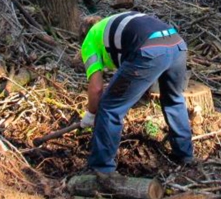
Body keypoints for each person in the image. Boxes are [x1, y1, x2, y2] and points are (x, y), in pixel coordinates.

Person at [79, 12, 194, 175]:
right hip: (176, 43)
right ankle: (185, 155)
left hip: (150, 49)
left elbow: (97, 88)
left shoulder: (89, 41)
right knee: (173, 99)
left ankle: (101, 168)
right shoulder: (112, 26)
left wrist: (91, 114)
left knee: (109, 107)